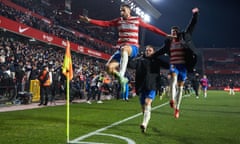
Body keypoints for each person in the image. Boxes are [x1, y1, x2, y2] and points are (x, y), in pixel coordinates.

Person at [79, 3, 171, 93]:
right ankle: (122, 79)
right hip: (121, 49)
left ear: (129, 11)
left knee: (125, 49)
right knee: (108, 67)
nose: (121, 12)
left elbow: (152, 28)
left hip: (133, 48)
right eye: (120, 11)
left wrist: (165, 35)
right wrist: (89, 20)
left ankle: (122, 75)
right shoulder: (118, 20)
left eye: (123, 10)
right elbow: (105, 23)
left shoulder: (137, 20)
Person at [152, 8, 199, 118]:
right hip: (174, 64)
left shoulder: (184, 37)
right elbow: (161, 51)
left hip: (183, 66)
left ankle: (177, 108)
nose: (173, 34)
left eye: (174, 32)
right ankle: (172, 99)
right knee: (173, 78)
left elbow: (192, 25)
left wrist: (195, 15)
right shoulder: (169, 42)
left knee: (181, 88)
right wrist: (152, 56)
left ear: (178, 33)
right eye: (171, 32)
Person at [128, 45, 168, 133]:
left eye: (150, 50)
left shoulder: (156, 60)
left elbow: (167, 65)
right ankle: (145, 122)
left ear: (153, 52)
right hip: (141, 86)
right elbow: (131, 64)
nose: (148, 51)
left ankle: (144, 123)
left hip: (152, 85)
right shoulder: (140, 60)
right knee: (143, 108)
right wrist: (128, 55)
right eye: (146, 50)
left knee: (147, 102)